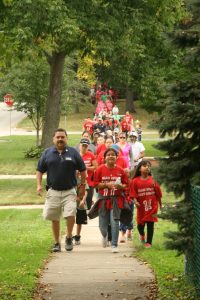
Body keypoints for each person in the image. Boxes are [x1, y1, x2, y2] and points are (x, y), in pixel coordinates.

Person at [36, 128, 87, 253]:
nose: (60, 139)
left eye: (62, 137)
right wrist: (38, 185)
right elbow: (39, 170)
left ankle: (69, 237)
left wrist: (83, 185)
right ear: (54, 139)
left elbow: (83, 169)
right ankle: (57, 243)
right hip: (53, 191)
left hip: (70, 191)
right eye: (57, 137)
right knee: (54, 218)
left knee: (70, 214)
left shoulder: (73, 152)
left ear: (66, 138)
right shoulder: (47, 153)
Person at [93, 148, 128, 253]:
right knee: (102, 225)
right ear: (104, 158)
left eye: (113, 155)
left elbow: (126, 184)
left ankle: (114, 245)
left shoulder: (120, 170)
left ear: (116, 157)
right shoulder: (99, 169)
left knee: (115, 222)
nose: (111, 156)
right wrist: (106, 185)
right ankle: (104, 236)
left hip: (116, 200)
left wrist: (120, 186)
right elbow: (95, 184)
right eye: (108, 155)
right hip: (103, 199)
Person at [129, 160, 162, 248]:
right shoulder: (135, 181)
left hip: (152, 206)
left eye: (148, 166)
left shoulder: (153, 180)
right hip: (141, 208)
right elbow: (133, 193)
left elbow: (158, 193)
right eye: (144, 166)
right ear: (139, 169)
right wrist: (135, 201)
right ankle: (142, 235)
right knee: (140, 225)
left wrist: (160, 204)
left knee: (150, 224)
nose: (147, 167)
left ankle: (149, 243)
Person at [79, 138, 97, 209]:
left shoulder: (91, 155)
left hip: (89, 182)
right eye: (83, 145)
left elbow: (96, 167)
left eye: (86, 146)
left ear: (88, 147)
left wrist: (87, 168)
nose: (84, 147)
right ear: (79, 145)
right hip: (78, 182)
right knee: (79, 201)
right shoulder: (76, 155)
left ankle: (87, 214)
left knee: (88, 201)